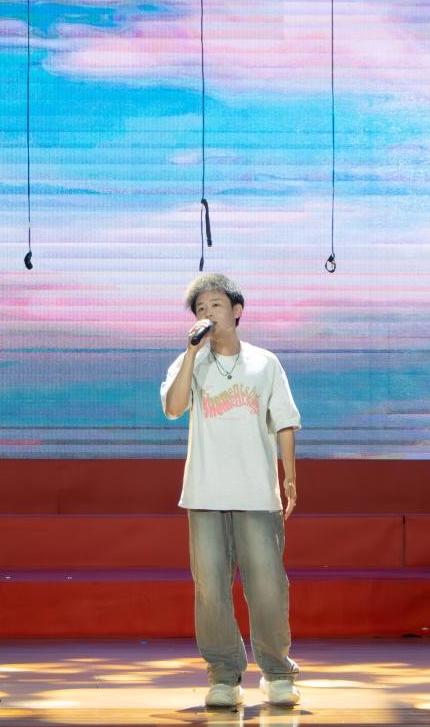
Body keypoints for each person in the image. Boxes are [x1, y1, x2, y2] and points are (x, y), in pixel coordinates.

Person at [160, 273, 302, 709]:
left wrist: (290, 477)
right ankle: (223, 675)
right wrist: (191, 355)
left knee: (268, 586)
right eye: (201, 308)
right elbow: (173, 408)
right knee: (210, 590)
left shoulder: (265, 362)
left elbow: (284, 421)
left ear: (237, 310)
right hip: (205, 493)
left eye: (216, 305)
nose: (208, 313)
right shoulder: (189, 362)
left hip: (257, 492)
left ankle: (277, 673)